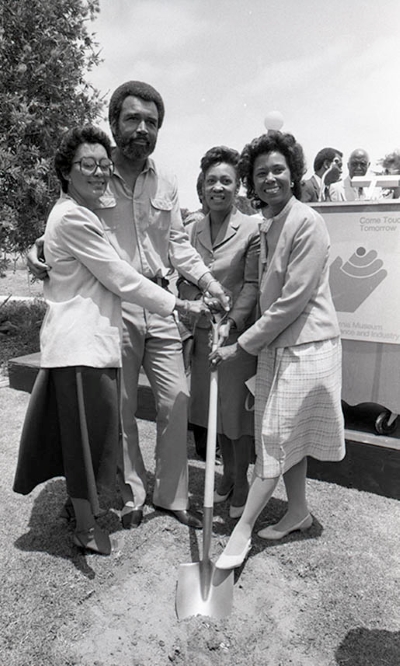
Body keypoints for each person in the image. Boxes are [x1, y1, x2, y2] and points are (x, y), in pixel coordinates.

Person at [27, 81, 230, 532]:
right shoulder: (96, 174)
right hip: (114, 307)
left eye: (152, 122)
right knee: (120, 410)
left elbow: (179, 246)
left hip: (162, 304)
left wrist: (209, 281)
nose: (142, 129)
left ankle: (171, 495)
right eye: (133, 119)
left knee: (177, 398)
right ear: (115, 122)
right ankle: (132, 491)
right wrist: (37, 247)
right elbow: (68, 226)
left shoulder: (168, 182)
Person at [210, 131, 345, 569]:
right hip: (276, 347)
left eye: (278, 170)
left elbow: (292, 300)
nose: (270, 178)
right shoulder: (268, 220)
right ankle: (298, 512)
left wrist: (239, 345)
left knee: (272, 437)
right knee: (291, 440)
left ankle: (243, 528)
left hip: (305, 346)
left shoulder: (307, 221)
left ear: (294, 173)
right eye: (261, 172)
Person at [178, 146, 260, 517]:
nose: (218, 187)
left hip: (234, 336)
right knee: (214, 412)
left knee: (235, 416)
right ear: (203, 186)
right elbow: (183, 275)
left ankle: (241, 481)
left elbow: (252, 285)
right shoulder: (191, 228)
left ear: (238, 186)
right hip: (201, 332)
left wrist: (232, 322)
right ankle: (226, 478)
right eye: (212, 180)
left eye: (226, 180)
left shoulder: (252, 228)